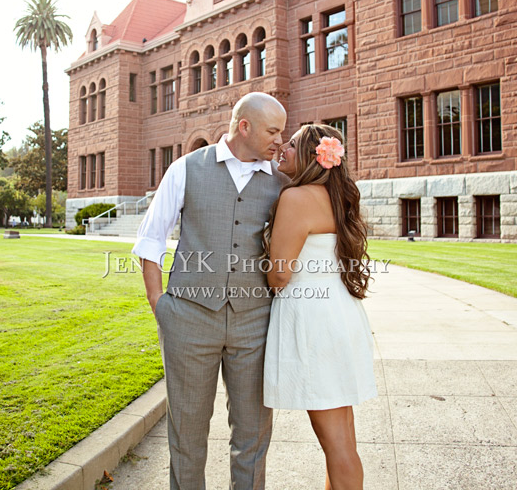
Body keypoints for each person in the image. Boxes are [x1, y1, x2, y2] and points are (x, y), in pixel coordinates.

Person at [133, 92, 289, 490]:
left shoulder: (283, 183)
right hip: (188, 319)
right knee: (187, 434)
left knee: (253, 434)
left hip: (255, 323)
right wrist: (160, 305)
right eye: (273, 131)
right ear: (244, 126)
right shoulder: (186, 169)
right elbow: (151, 240)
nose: (279, 140)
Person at [262, 123, 377, 490]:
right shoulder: (337, 197)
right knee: (343, 435)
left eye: (292, 145)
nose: (282, 147)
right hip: (340, 314)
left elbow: (279, 276)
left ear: (314, 157)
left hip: (313, 322)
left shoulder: (296, 199)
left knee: (336, 443)